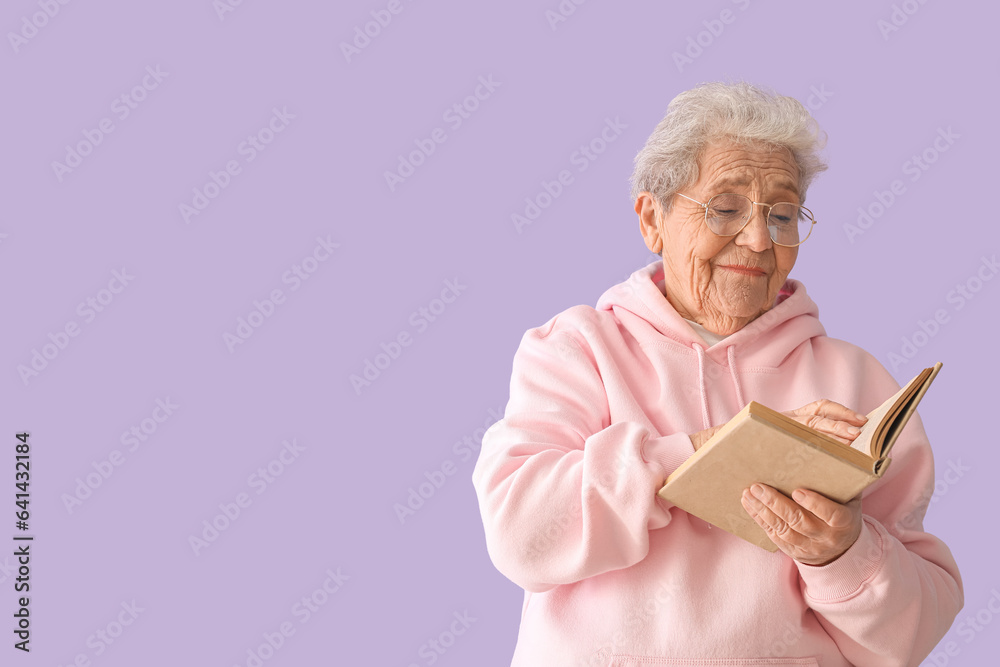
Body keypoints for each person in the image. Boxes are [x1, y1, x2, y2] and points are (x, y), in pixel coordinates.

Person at [471, 81, 963, 666]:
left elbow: (918, 629)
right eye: (725, 208)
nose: (759, 239)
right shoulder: (577, 348)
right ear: (652, 217)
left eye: (782, 214)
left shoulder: (857, 380)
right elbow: (521, 535)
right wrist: (697, 453)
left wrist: (843, 554)